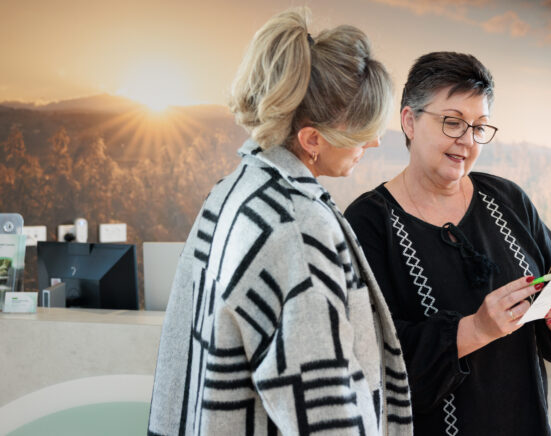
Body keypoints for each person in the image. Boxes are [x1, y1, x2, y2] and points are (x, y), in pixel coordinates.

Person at [148, 8, 412, 435]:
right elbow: (324, 409)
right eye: (362, 130)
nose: (375, 140)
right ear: (312, 139)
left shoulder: (234, 191)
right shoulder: (297, 229)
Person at [344, 52, 551, 435]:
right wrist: (476, 329)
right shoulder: (369, 223)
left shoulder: (507, 199)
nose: (466, 141)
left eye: (479, 127)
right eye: (453, 123)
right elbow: (367, 367)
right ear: (409, 121)